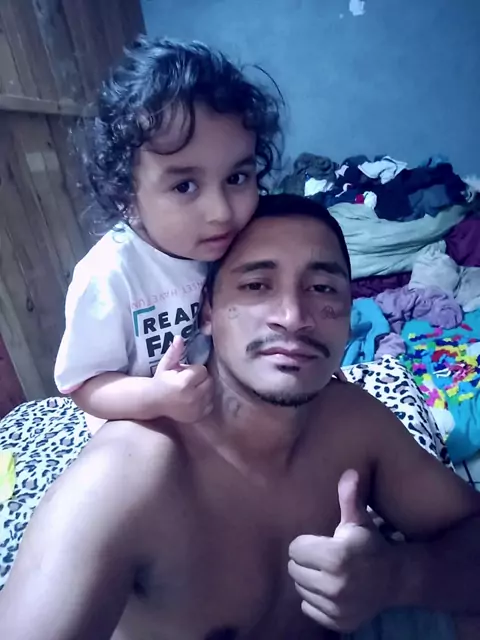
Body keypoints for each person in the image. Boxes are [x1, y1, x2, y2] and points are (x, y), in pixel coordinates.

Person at [2, 194, 480, 640]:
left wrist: (398, 577)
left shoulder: (354, 424)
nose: (293, 316)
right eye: (256, 285)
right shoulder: (127, 475)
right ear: (207, 313)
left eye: (322, 288)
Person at [54, 36, 282, 426]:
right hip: (139, 427)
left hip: (213, 410)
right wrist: (156, 398)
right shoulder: (109, 276)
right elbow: (85, 385)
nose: (221, 212)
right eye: (184, 186)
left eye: (236, 177)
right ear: (125, 194)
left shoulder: (243, 240)